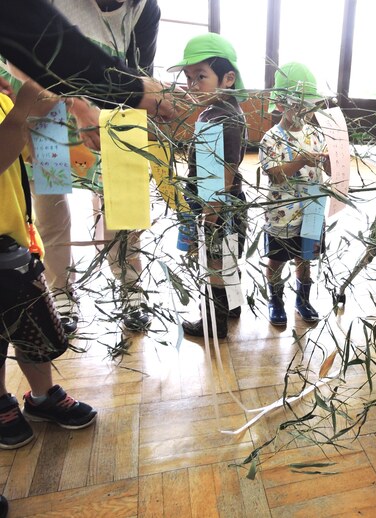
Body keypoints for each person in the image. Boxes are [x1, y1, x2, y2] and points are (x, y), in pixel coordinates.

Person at [24, 0, 161, 333]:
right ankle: (60, 292)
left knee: (124, 205)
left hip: (113, 111)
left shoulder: (145, 8)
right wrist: (78, 107)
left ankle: (130, 288)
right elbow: (27, 60)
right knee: (52, 206)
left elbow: (140, 70)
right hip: (50, 106)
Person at [0, 81, 98, 441]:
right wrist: (24, 110)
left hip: (15, 240)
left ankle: (42, 396)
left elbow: (22, 153)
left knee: (34, 330)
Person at [167, 33, 248, 339]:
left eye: (200, 77)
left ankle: (214, 325)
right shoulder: (217, 110)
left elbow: (225, 176)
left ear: (228, 78)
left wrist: (209, 215)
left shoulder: (224, 118)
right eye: (189, 78)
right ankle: (233, 306)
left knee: (214, 263)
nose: (192, 85)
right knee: (226, 258)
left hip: (219, 207)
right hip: (217, 203)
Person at [0, 0, 177, 119]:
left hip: (96, 129)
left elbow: (141, 79)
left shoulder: (144, 9)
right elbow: (25, 55)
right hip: (27, 114)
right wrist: (76, 105)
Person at [259, 62, 331, 327]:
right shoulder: (271, 138)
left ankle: (303, 299)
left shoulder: (315, 134)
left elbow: (329, 168)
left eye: (309, 106)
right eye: (298, 105)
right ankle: (275, 299)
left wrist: (333, 158)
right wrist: (300, 160)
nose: (305, 112)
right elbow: (275, 174)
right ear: (280, 104)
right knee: (277, 258)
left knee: (305, 256)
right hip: (282, 212)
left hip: (311, 210)